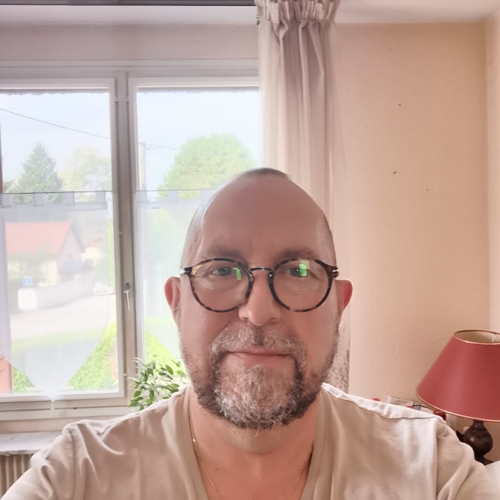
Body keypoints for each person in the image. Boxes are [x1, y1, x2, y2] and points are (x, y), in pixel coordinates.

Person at [4, 168, 499, 499]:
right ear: (176, 303)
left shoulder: (430, 469)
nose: (259, 311)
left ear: (338, 307)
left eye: (299, 270)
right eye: (221, 269)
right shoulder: (79, 476)